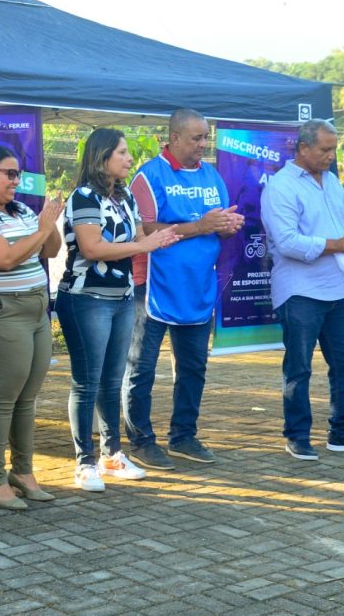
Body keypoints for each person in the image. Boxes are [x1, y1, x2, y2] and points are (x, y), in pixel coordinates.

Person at [56, 128, 180, 492]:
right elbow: (92, 248)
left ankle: (111, 455)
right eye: (122, 152)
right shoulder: (84, 197)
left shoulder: (125, 197)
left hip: (122, 298)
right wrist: (145, 245)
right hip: (86, 299)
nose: (129, 158)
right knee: (87, 382)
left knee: (112, 381)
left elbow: (139, 239)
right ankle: (84, 462)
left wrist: (158, 240)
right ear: (102, 157)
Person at [123, 109, 243, 470]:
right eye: (196, 138)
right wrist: (200, 226)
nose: (204, 144)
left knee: (193, 367)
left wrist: (226, 226)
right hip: (152, 287)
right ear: (174, 138)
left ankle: (183, 436)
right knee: (141, 369)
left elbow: (215, 225)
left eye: (206, 137)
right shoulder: (149, 176)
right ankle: (141, 441)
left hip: (198, 286)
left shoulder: (211, 176)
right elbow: (144, 230)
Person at [262, 118, 344, 459]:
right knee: (299, 367)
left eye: (334, 149)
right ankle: (297, 436)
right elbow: (287, 242)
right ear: (303, 148)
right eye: (325, 150)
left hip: (335, 288)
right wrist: (337, 243)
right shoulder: (280, 187)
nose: (331, 156)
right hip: (299, 291)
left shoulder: (330, 181)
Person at [0, 145, 63, 509]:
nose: (16, 181)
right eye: (9, 173)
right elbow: (4, 259)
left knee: (27, 398)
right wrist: (42, 229)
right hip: (0, 312)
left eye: (19, 174)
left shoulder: (21, 210)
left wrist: (48, 224)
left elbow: (50, 251)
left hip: (36, 310)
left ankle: (24, 472)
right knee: (3, 399)